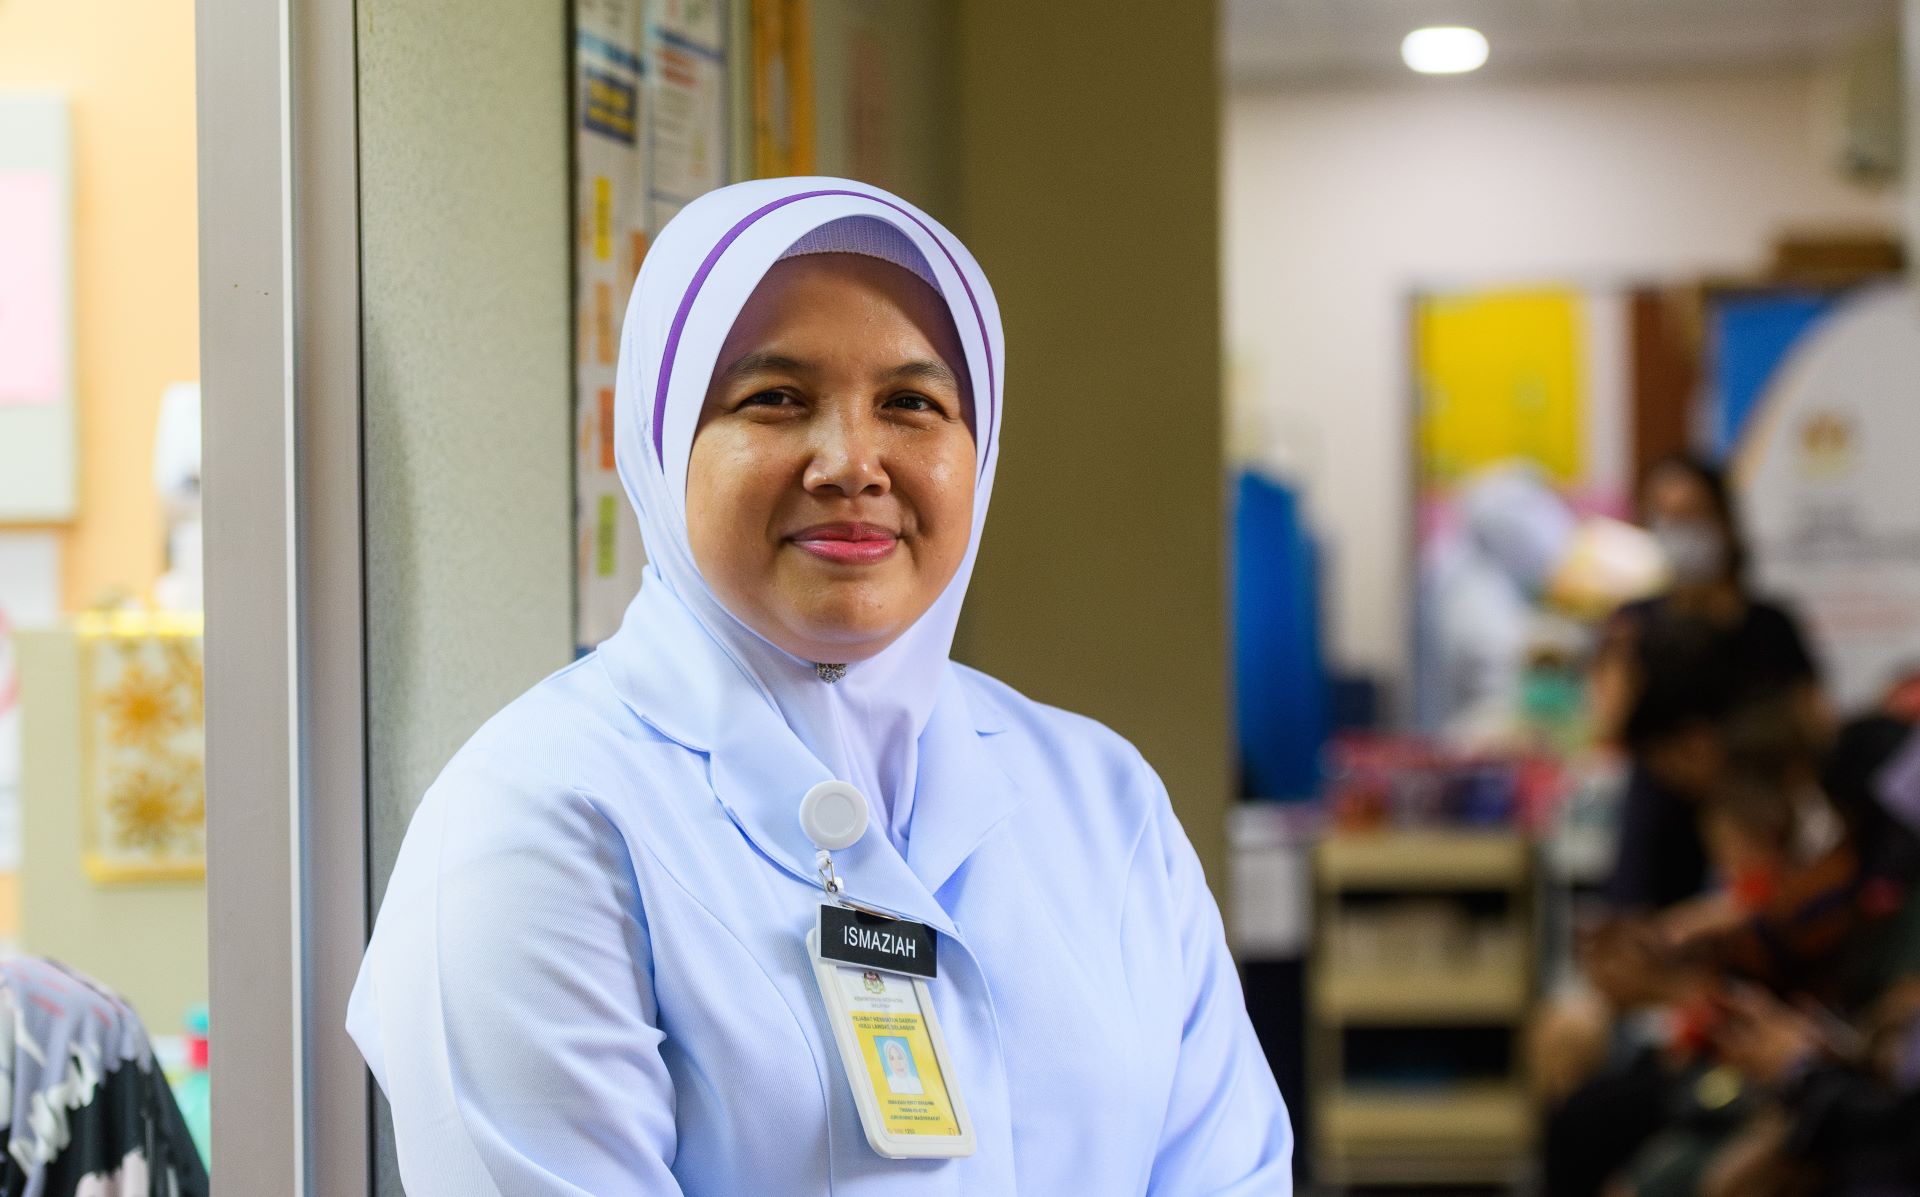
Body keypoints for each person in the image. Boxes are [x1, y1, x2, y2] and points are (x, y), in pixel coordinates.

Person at [347, 178, 1292, 1195]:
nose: (851, 463)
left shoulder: (1105, 799)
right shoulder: (536, 819)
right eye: (776, 399)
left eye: (912, 405)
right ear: (662, 442)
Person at [1591, 454, 1825, 914]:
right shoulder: (1636, 624)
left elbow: (1813, 727)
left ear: (1724, 521)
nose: (1680, 530)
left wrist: (1736, 765)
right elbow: (1609, 723)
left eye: (1692, 515)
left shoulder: (1769, 625)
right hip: (1657, 837)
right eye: (1666, 516)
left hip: (1753, 830)